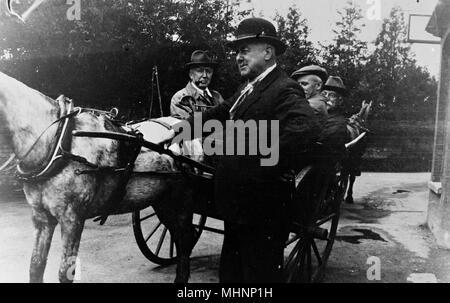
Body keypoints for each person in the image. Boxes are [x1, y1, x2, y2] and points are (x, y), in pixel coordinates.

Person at [161, 17, 320, 282]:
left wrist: (254, 158)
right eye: (237, 51)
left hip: (263, 207)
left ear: (268, 52)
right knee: (232, 275)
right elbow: (220, 112)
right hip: (236, 204)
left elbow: (304, 129)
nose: (238, 57)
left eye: (244, 50)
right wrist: (182, 129)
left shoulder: (284, 87)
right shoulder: (248, 88)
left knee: (258, 276)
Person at [170, 50, 224, 119]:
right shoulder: (181, 99)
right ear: (191, 74)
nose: (205, 75)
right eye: (200, 71)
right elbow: (187, 127)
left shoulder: (217, 96)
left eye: (208, 71)